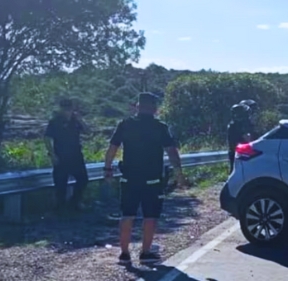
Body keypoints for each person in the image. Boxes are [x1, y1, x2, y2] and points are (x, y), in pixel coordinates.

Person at [103, 93, 186, 265]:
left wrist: (107, 168)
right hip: (152, 179)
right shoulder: (160, 127)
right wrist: (179, 175)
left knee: (127, 214)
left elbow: (112, 148)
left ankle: (124, 253)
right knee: (150, 216)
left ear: (137, 106)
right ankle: (145, 252)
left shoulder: (125, 125)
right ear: (155, 109)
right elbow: (172, 152)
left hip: (129, 178)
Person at [44, 98, 89, 211]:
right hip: (61, 156)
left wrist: (80, 120)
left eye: (69, 108)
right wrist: (52, 155)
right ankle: (61, 209)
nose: (67, 111)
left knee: (83, 179)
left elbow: (88, 131)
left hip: (76, 156)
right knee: (60, 185)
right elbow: (47, 138)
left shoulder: (75, 121)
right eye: (64, 108)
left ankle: (74, 202)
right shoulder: (55, 121)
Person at [227, 103, 254, 170]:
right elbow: (247, 138)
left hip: (237, 152)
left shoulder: (232, 125)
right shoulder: (237, 126)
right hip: (241, 152)